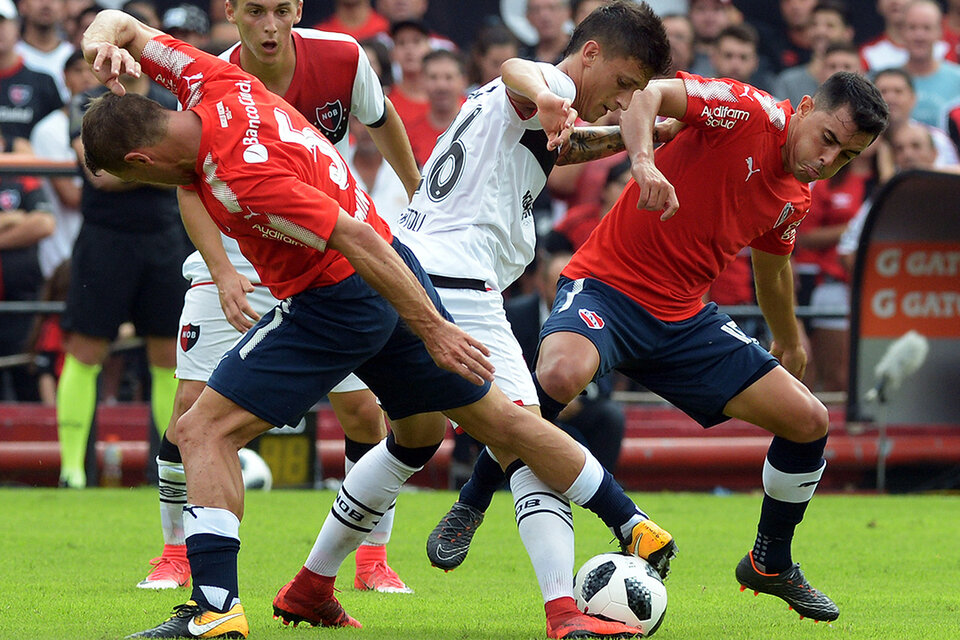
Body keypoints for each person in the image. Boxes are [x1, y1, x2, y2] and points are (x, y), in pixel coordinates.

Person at [80, 9, 674, 639]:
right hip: (394, 273)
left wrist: (436, 329)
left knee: (202, 430)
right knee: (491, 424)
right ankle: (634, 523)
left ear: (142, 159)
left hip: (340, 297)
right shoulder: (215, 83)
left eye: (132, 176)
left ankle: (216, 608)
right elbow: (121, 22)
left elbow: (353, 237)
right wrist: (101, 47)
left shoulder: (242, 175)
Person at [431, 70, 888, 624]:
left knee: (809, 421)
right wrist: (643, 162)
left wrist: (789, 339)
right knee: (557, 377)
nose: (828, 160)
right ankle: (472, 502)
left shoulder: (795, 195)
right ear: (806, 107)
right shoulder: (750, 110)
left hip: (685, 320)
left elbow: (773, 270)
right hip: (608, 287)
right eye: (828, 138)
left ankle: (771, 562)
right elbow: (649, 94)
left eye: (846, 156)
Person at [137, 0, 423, 596]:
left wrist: (416, 188)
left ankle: (372, 557)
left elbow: (382, 117)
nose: (269, 26)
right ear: (231, 12)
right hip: (241, 251)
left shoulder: (343, 58)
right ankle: (173, 554)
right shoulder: (211, 77)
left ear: (296, 9)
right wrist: (220, 271)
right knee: (191, 406)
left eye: (278, 10)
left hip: (325, 245)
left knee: (364, 411)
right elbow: (189, 183)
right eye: (254, 11)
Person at [57, 60, 188, 489]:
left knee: (168, 358)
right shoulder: (87, 101)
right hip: (105, 240)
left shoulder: (171, 100)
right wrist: (162, 165)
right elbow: (101, 177)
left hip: (164, 239)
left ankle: (169, 468)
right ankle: (71, 471)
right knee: (85, 350)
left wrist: (135, 165)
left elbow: (188, 168)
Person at [772, 1, 854, 108]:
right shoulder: (787, 82)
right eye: (814, 24)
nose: (820, 31)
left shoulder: (865, 83)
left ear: (847, 33)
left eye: (830, 26)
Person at [404, 48, 467, 166]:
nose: (441, 85)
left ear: (463, 81)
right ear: (422, 81)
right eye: (433, 77)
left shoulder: (479, 123)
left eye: (448, 77)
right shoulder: (409, 136)